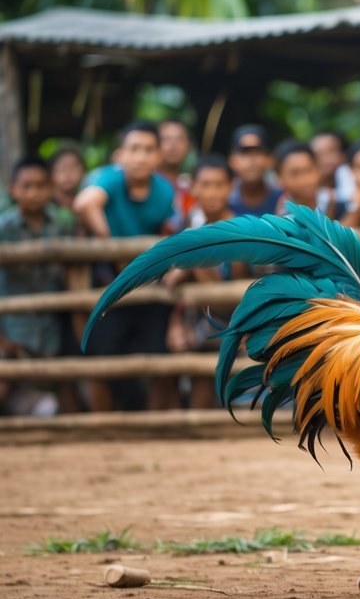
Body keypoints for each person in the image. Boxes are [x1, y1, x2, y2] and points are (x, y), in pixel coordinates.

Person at [73, 120, 178, 412]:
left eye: (148, 150)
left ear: (159, 155)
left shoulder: (164, 191)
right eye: (134, 149)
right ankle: (103, 429)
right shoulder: (110, 178)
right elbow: (84, 204)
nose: (140, 157)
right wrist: (112, 247)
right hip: (108, 281)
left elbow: (166, 229)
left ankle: (155, 427)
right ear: (120, 154)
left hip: (147, 284)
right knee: (101, 358)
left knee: (159, 357)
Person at [0, 157, 78, 416]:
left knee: (64, 379)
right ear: (13, 189)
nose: (34, 193)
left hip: (52, 321)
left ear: (51, 188)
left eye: (41, 185)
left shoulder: (63, 224)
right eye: (27, 186)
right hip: (12, 322)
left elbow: (73, 271)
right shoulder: (4, 228)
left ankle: (79, 433)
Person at [163, 155, 235, 410]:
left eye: (219, 184)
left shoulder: (245, 229)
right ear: (193, 187)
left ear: (230, 187)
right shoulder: (181, 224)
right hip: (193, 318)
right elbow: (167, 280)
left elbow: (239, 287)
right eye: (205, 184)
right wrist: (174, 323)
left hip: (233, 320)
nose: (212, 192)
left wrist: (190, 260)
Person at [227, 124, 281, 218]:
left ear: (270, 159)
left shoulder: (283, 199)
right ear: (232, 161)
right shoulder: (224, 200)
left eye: (258, 152)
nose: (252, 160)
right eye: (244, 153)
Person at [273, 140, 337, 217]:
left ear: (318, 169)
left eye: (308, 170)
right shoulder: (281, 214)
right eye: (295, 174)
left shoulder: (337, 202)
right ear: (279, 177)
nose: (304, 181)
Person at [311, 130, 354, 205]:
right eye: (318, 154)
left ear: (344, 154)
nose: (325, 159)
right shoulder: (308, 192)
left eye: (331, 151)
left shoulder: (354, 177)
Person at [49, 145, 86, 213]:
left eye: (73, 167)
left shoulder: (88, 201)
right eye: (62, 168)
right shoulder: (44, 204)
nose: (68, 174)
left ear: (83, 171)